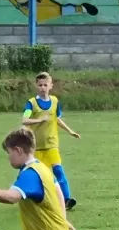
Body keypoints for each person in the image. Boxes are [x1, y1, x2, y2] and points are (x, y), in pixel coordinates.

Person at [22, 72, 80, 211]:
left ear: (51, 86)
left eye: (45, 85)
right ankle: (32, 198)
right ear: (36, 86)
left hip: (51, 144)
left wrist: (70, 131)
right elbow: (24, 120)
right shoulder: (32, 103)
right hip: (36, 147)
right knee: (37, 175)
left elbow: (57, 119)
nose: (43, 87)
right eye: (40, 85)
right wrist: (39, 120)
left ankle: (66, 200)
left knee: (58, 170)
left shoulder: (55, 101)